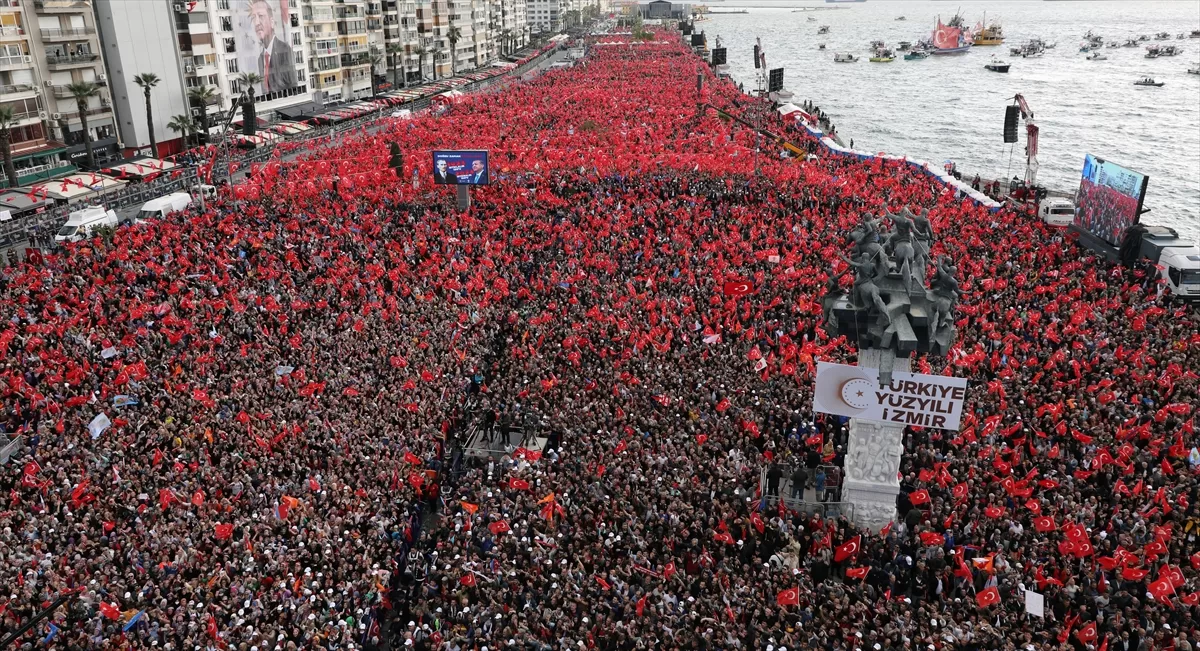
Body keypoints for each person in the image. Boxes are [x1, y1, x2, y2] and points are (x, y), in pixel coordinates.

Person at [249, 0, 295, 94]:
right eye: (254, 18)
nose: (257, 22)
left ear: (272, 22)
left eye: (261, 16)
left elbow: (292, 84)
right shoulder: (260, 58)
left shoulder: (285, 49)